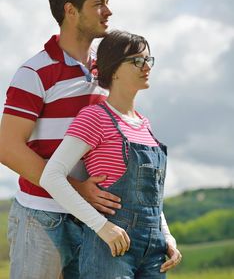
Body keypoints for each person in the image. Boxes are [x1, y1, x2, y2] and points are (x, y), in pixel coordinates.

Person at [0, 0, 122, 279]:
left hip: (94, 220)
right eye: (99, 4)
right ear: (70, 10)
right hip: (42, 220)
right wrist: (76, 190)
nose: (108, 11)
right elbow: (7, 147)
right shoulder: (35, 72)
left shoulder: (107, 72)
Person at [40, 30, 182, 278]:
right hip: (111, 245)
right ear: (114, 68)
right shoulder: (95, 117)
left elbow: (153, 197)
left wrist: (166, 235)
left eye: (148, 60)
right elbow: (51, 176)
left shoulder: (144, 124)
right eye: (137, 60)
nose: (146, 66)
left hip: (154, 250)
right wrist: (101, 227)